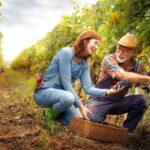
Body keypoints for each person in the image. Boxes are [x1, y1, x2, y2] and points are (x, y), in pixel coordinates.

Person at [33, 30, 124, 126]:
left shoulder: (84, 63)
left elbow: (88, 88)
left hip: (62, 96)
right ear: (85, 41)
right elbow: (66, 84)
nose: (96, 47)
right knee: (69, 98)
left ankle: (57, 112)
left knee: (78, 123)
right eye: (95, 43)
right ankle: (50, 115)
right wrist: (81, 106)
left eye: (98, 45)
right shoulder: (67, 53)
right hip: (44, 92)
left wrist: (108, 92)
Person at [86, 33, 150, 133]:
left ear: (134, 52)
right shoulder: (109, 59)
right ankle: (97, 117)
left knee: (142, 100)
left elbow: (147, 86)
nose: (120, 52)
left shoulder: (138, 67)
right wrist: (147, 79)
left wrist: (147, 83)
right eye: (119, 48)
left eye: (125, 50)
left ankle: (126, 133)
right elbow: (122, 75)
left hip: (118, 102)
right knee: (91, 123)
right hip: (100, 100)